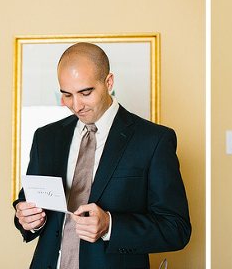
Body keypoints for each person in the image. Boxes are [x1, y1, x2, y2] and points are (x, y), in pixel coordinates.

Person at [12, 42, 191, 269]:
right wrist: (28, 220)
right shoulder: (46, 138)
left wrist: (110, 225)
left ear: (109, 82)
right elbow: (28, 200)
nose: (76, 105)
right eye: (67, 95)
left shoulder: (153, 140)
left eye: (85, 93)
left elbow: (177, 228)